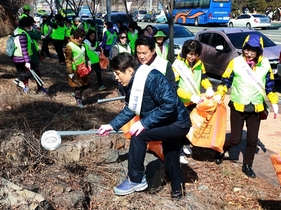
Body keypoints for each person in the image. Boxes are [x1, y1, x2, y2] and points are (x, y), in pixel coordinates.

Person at [98, 52, 191, 199]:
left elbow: (169, 105)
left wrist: (144, 122)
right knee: (171, 154)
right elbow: (131, 108)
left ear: (129, 70)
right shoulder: (132, 82)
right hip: (167, 122)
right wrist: (111, 125)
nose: (115, 77)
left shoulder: (152, 78)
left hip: (178, 122)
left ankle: (136, 180)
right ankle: (178, 191)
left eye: (117, 73)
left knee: (139, 135)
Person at [213, 34, 279, 178]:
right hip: (238, 106)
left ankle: (247, 165)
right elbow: (226, 81)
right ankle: (220, 150)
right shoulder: (235, 62)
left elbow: (270, 86)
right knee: (235, 139)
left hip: (255, 108)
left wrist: (274, 101)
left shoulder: (265, 64)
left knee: (252, 140)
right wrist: (220, 93)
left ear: (259, 52)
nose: (249, 53)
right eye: (247, 50)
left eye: (253, 51)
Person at [172, 40, 214, 164]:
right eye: (190, 54)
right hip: (181, 102)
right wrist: (189, 96)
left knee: (190, 126)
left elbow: (203, 78)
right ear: (185, 52)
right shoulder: (178, 65)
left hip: (194, 102)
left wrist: (209, 87)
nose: (192, 57)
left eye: (195, 54)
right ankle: (178, 152)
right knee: (180, 127)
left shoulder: (199, 64)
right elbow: (174, 87)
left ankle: (185, 144)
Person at [12, 16, 47, 93]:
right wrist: (27, 61)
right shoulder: (23, 33)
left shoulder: (17, 31)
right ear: (26, 25)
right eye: (30, 25)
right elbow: (24, 49)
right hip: (25, 57)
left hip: (17, 57)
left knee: (22, 73)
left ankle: (23, 89)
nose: (31, 26)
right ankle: (25, 85)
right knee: (32, 71)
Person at [65, 28, 91, 108]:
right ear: (75, 36)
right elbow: (68, 60)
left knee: (87, 83)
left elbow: (85, 56)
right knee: (79, 86)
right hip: (75, 69)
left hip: (83, 68)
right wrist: (70, 72)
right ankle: (78, 100)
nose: (80, 39)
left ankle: (76, 93)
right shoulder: (69, 46)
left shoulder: (82, 45)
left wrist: (88, 64)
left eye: (82, 37)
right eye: (78, 37)